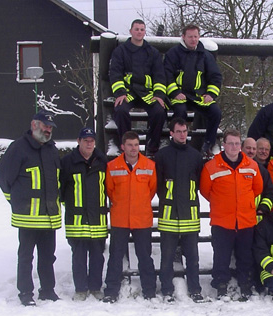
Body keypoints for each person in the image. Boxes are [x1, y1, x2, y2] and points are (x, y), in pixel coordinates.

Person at [0, 111, 62, 306]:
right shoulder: (18, 148)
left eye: (50, 127)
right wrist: (15, 201)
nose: (48, 130)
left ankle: (48, 290)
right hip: (27, 218)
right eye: (45, 126)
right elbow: (3, 177)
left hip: (49, 217)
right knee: (26, 257)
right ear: (34, 124)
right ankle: (25, 293)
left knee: (48, 257)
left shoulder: (51, 149)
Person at [200, 130, 263, 300]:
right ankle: (220, 285)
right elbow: (206, 191)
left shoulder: (252, 165)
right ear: (224, 145)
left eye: (237, 143)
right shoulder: (211, 166)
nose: (234, 146)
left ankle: (245, 285)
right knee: (221, 255)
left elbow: (257, 189)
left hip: (245, 220)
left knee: (245, 255)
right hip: (222, 220)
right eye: (231, 143)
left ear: (240, 145)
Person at [153, 118, 206, 303]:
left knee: (193, 258)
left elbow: (199, 183)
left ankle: (195, 289)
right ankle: (167, 290)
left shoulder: (196, 156)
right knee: (166, 257)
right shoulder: (162, 156)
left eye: (185, 131)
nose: (182, 134)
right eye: (179, 131)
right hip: (168, 215)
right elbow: (158, 185)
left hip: (190, 215)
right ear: (171, 133)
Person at [103, 131, 157, 303]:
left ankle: (149, 290)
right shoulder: (112, 166)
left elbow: (152, 190)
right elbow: (110, 191)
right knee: (115, 256)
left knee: (145, 256)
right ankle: (111, 291)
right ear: (122, 147)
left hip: (142, 219)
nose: (133, 148)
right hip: (120, 219)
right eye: (130, 145)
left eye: (136, 145)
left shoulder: (149, 165)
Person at [59, 127, 108, 301]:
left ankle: (95, 288)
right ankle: (80, 289)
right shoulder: (67, 162)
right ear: (78, 141)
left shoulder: (102, 161)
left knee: (97, 255)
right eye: (85, 140)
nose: (89, 143)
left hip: (98, 218)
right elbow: (62, 190)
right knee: (78, 256)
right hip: (76, 219)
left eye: (92, 140)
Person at [164, 24, 223, 158]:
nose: (193, 39)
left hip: (199, 97)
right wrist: (175, 93)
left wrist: (211, 94)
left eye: (196, 36)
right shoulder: (173, 54)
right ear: (183, 37)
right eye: (190, 36)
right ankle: (179, 144)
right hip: (179, 95)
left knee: (215, 112)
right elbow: (167, 76)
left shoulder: (206, 56)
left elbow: (216, 76)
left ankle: (208, 144)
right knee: (180, 113)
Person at [109, 19, 166, 155]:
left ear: (145, 32)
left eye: (142, 29)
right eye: (136, 29)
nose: (139, 32)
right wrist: (120, 93)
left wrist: (158, 95)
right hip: (128, 93)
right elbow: (115, 74)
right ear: (131, 31)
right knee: (121, 110)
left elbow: (159, 76)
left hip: (147, 94)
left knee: (159, 112)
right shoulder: (120, 51)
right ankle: (126, 144)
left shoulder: (153, 53)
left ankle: (152, 146)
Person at [242, 137, 273, 221]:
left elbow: (270, 193)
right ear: (241, 148)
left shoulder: (262, 170)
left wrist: (262, 209)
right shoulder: (233, 167)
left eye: (254, 148)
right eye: (248, 148)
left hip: (256, 217)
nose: (251, 151)